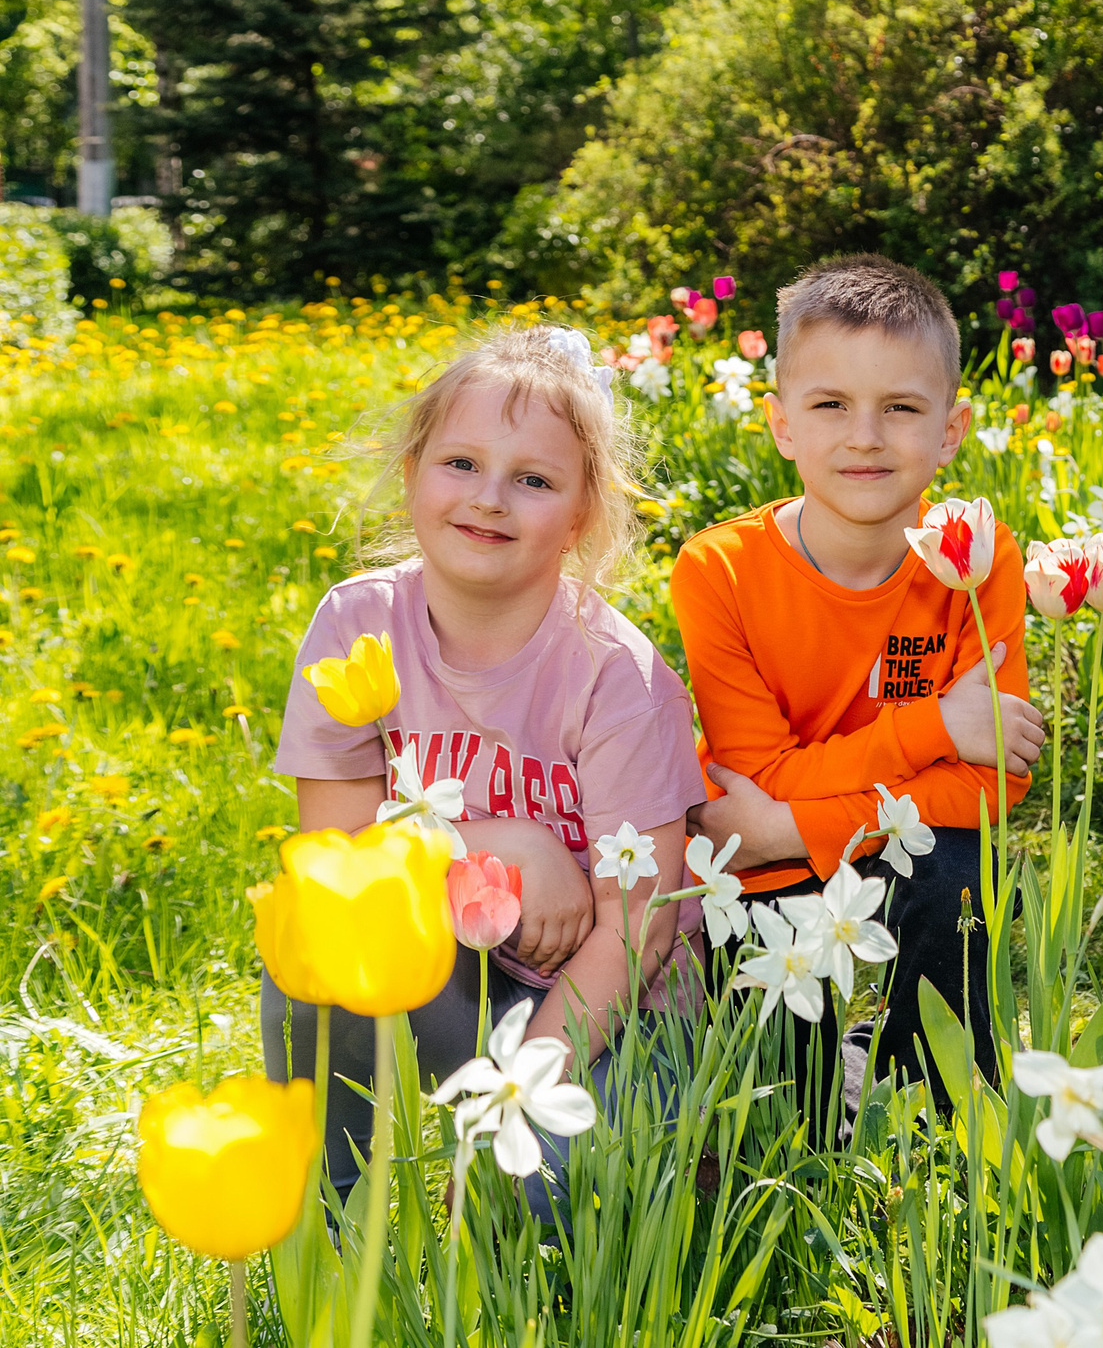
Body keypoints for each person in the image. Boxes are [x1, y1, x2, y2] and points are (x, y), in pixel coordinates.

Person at [265, 326, 704, 1199]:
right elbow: (335, 854)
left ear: (580, 514)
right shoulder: (358, 625)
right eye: (461, 463)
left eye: (534, 480)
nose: (490, 498)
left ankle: (659, 1156)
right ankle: (333, 1227)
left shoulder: (617, 677)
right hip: (447, 967)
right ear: (412, 471)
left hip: (611, 1003)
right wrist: (499, 839)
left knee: (548, 1195)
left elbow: (640, 923)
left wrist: (522, 1089)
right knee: (312, 951)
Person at [673, 255, 1041, 1110]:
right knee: (776, 1108)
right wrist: (936, 731)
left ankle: (935, 1102)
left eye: (901, 408)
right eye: (831, 404)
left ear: (951, 430)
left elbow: (995, 783)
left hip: (802, 835)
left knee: (960, 874)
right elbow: (752, 781)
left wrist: (795, 822)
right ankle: (803, 1103)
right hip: (761, 862)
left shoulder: (978, 558)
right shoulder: (718, 569)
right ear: (781, 425)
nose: (865, 435)